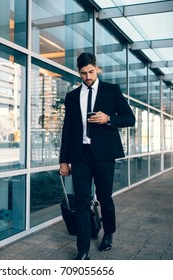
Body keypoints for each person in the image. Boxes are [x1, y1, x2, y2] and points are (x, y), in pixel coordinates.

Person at [59, 53, 135, 260]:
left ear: (96, 69)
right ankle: (83, 249)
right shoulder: (72, 97)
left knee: (104, 198)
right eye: (83, 73)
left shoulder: (111, 91)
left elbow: (130, 118)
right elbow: (68, 130)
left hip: (104, 155)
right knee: (82, 202)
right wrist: (63, 160)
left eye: (90, 72)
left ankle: (108, 233)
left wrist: (109, 119)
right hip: (80, 155)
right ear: (79, 72)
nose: (87, 77)